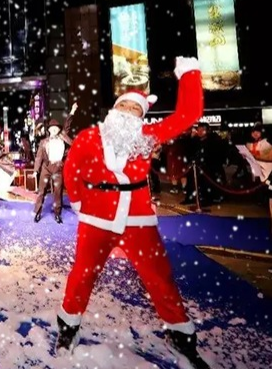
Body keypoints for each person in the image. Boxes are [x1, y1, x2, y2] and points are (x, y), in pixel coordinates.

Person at [56, 57, 209, 369]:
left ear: (143, 116)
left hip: (138, 218)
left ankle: (181, 335)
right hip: (96, 217)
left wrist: (190, 74)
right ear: (115, 109)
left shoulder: (148, 136)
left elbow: (189, 113)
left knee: (160, 277)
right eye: (124, 107)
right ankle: (68, 326)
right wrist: (80, 203)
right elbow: (71, 168)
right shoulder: (90, 136)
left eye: (136, 109)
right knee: (83, 274)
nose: (128, 112)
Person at [32, 103, 77, 223]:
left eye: (56, 128)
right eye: (51, 128)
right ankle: (37, 212)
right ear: (49, 130)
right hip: (46, 167)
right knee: (41, 191)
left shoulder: (63, 137)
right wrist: (36, 170)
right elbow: (39, 157)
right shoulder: (43, 142)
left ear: (58, 130)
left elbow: (67, 124)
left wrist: (72, 111)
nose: (53, 130)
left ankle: (57, 213)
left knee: (57, 191)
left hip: (58, 167)